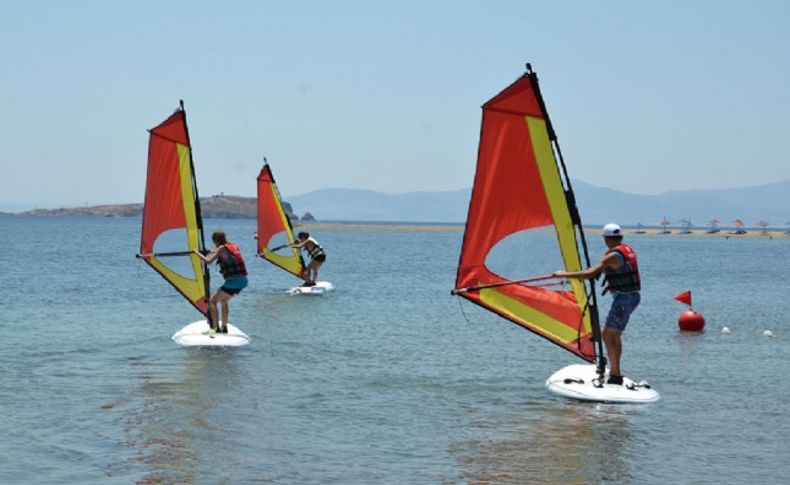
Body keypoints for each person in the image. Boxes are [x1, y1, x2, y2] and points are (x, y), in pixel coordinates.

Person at [552, 223, 641, 385]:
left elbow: (590, 273)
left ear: (606, 239)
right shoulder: (626, 250)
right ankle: (615, 372)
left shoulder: (612, 255)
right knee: (613, 335)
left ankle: (615, 375)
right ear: (620, 237)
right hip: (631, 297)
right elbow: (615, 269)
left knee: (608, 335)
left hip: (624, 299)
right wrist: (609, 280)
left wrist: (563, 274)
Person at [193, 230, 248, 335]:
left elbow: (208, 261)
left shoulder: (221, 248)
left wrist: (197, 253)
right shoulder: (232, 246)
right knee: (224, 301)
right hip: (243, 280)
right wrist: (213, 251)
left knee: (212, 301)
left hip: (234, 282)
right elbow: (224, 254)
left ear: (216, 240)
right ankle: (224, 327)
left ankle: (215, 328)